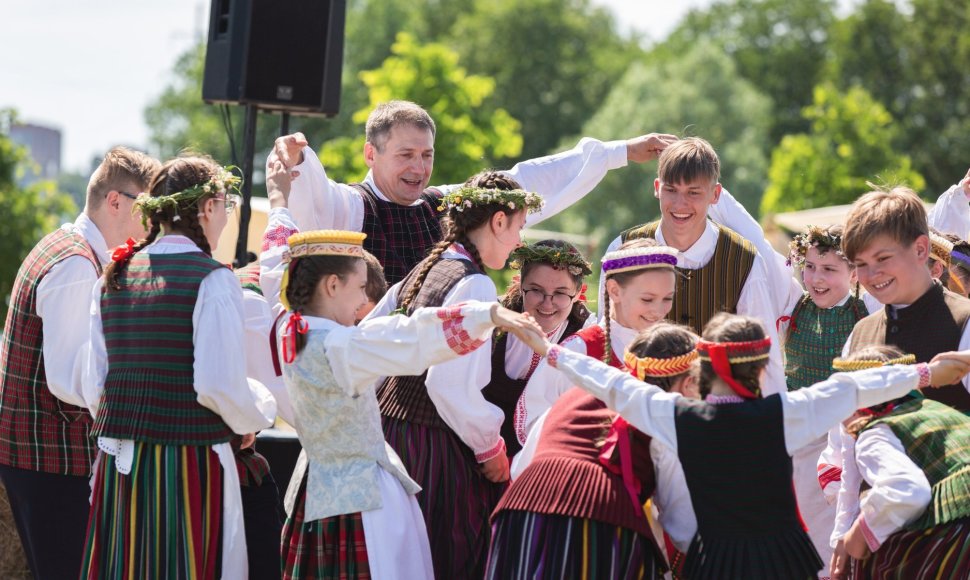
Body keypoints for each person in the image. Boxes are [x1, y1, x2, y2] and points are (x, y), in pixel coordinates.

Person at [517, 311, 970, 579]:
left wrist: (552, 350)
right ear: (759, 366)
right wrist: (926, 372)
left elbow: (614, 384)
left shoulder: (680, 417)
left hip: (714, 560)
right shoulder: (785, 413)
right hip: (783, 558)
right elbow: (853, 389)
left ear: (702, 368)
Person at [260, 215, 541, 579]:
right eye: (360, 287)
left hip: (316, 484)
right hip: (361, 498)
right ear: (331, 285)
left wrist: (281, 210)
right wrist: (487, 313)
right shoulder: (343, 346)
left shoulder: (290, 327)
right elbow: (408, 336)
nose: (364, 299)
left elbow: (273, 264)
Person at [78, 156, 277, 578]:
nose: (226, 216)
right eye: (225, 204)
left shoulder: (114, 276)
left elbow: (94, 384)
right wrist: (259, 411)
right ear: (206, 207)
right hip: (188, 465)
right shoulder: (213, 279)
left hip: (121, 466)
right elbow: (217, 385)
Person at [269, 100, 677, 283]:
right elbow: (315, 198)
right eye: (405, 154)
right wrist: (301, 161)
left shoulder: (444, 204)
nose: (419, 167)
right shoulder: (352, 206)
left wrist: (618, 152)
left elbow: (526, 180)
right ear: (371, 154)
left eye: (426, 154)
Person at [361, 170, 543, 578]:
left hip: (392, 437)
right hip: (432, 450)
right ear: (498, 221)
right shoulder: (474, 284)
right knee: (447, 556)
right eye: (519, 227)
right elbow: (448, 385)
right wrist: (489, 447)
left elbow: (368, 342)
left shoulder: (426, 267)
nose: (519, 242)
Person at [0, 146, 159, 579]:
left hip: (41, 456)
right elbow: (69, 379)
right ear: (115, 202)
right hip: (49, 460)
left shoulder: (70, 249)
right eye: (150, 209)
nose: (154, 224)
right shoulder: (74, 265)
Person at [489, 323, 698, 579]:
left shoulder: (576, 394)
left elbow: (524, 462)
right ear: (688, 383)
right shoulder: (666, 415)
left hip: (519, 510)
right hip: (595, 518)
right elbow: (681, 525)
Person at [600, 137, 785, 392]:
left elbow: (765, 355)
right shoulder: (622, 248)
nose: (680, 204)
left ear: (715, 194)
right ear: (657, 187)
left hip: (714, 414)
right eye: (671, 190)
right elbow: (605, 333)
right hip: (633, 403)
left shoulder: (743, 259)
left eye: (693, 192)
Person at [516, 239, 679, 445]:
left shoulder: (675, 352)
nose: (658, 311)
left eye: (668, 298)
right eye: (647, 299)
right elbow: (530, 423)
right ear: (614, 290)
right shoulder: (579, 350)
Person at [827, 346, 970, 579]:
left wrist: (856, 536)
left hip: (958, 539)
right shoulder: (938, 412)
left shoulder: (875, 434)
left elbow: (907, 491)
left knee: (880, 560)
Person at [842, 186, 970, 412]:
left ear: (921, 250)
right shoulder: (860, 333)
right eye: (861, 264)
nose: (872, 274)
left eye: (883, 258)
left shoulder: (965, 322)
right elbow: (841, 441)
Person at [483, 239, 594, 458]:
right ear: (521, 284)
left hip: (546, 458)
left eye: (561, 293)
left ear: (578, 291)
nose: (547, 303)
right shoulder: (492, 320)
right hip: (482, 454)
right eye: (536, 290)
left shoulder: (588, 334)